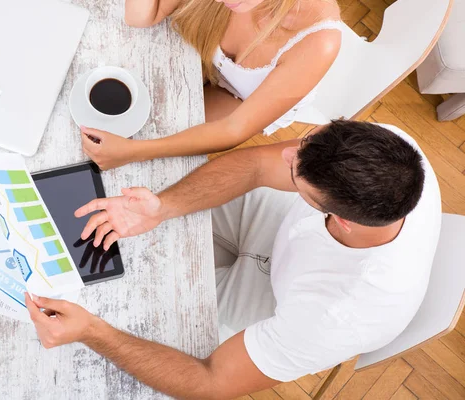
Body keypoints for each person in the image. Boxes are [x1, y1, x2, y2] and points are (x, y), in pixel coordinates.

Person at [26, 120, 441, 399]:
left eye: (295, 174)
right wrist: (163, 207)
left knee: (133, 315)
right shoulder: (386, 147)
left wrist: (93, 332)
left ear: (342, 221)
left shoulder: (333, 318)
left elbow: (210, 380)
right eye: (304, 143)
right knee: (139, 196)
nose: (283, 156)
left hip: (283, 301)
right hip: (280, 227)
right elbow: (258, 167)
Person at [80, 0, 343, 170]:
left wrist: (134, 152)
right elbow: (143, 16)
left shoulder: (318, 41)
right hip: (202, 56)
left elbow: (234, 129)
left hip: (242, 101)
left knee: (151, 136)